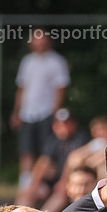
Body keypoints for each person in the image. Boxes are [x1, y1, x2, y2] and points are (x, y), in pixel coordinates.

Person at [12, 31, 70, 190]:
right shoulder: (27, 61)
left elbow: (60, 88)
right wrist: (17, 111)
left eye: (43, 41)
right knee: (26, 149)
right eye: (37, 41)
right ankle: (25, 184)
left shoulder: (56, 61)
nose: (40, 45)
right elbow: (22, 88)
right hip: (27, 113)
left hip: (46, 113)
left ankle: (43, 183)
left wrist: (55, 112)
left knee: (46, 151)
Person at [16, 108, 90, 209]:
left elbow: (73, 162)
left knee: (61, 193)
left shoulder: (80, 138)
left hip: (71, 181)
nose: (62, 127)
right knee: (29, 191)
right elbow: (43, 163)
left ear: (73, 124)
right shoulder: (54, 140)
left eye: (66, 124)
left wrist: (63, 182)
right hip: (56, 181)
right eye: (59, 124)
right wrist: (32, 186)